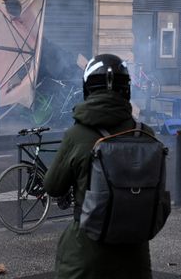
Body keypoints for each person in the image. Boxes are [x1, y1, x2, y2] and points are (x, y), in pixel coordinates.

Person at [43, 54, 155, 279]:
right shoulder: (145, 133)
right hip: (135, 257)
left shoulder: (77, 135)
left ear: (88, 89)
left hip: (86, 255)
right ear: (127, 89)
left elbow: (53, 186)